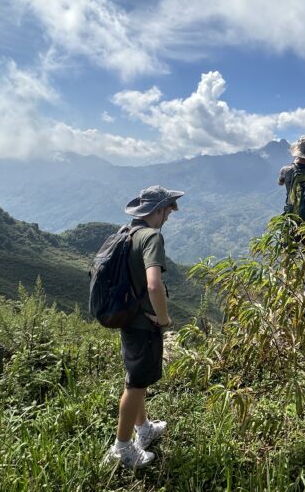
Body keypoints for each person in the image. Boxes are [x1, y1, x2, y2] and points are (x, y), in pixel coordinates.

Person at [102, 185, 184, 469]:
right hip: (143, 325)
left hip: (127, 318)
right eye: (168, 211)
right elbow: (153, 284)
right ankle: (122, 449)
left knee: (137, 379)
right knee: (135, 385)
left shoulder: (126, 233)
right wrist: (163, 319)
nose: (169, 217)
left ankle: (144, 428)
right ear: (158, 210)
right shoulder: (151, 237)